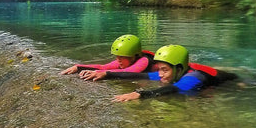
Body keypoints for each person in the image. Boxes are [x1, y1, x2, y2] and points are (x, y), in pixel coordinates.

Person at [108, 44, 237, 102]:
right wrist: (107, 74)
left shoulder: (192, 78)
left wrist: (140, 94)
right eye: (159, 69)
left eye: (165, 70)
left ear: (179, 70)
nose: (160, 74)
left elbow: (174, 88)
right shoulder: (170, 72)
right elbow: (139, 75)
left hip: (234, 82)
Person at [61, 34, 152, 81]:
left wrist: (103, 73)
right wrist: (78, 67)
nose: (118, 60)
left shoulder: (144, 60)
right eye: (117, 56)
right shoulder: (126, 59)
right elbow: (103, 67)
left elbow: (128, 72)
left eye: (121, 57)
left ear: (134, 56)